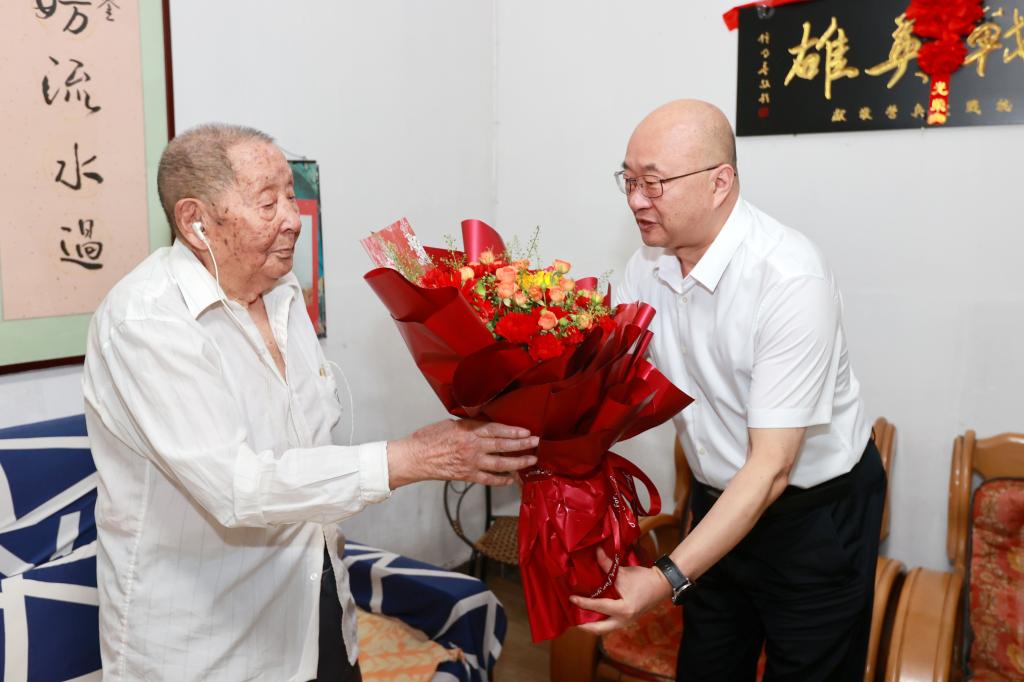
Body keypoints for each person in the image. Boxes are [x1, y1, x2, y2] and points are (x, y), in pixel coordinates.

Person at [82, 123, 539, 682]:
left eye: (291, 196)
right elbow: (237, 487)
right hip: (207, 641)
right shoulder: (146, 321)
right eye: (267, 202)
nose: (294, 219)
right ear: (195, 221)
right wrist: (414, 457)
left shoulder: (282, 294)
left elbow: (307, 448)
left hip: (314, 603)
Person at [570, 100, 885, 681]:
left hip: (812, 515)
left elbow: (771, 467)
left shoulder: (789, 276)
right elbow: (606, 381)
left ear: (720, 183)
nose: (636, 200)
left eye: (654, 183)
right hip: (718, 503)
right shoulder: (646, 267)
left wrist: (664, 578)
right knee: (708, 665)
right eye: (629, 181)